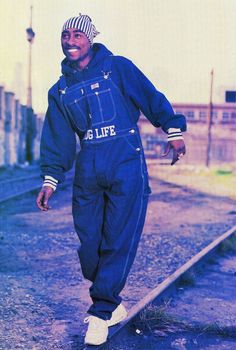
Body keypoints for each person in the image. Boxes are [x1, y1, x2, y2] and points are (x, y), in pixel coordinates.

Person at [36, 14, 186, 346]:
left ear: (90, 39)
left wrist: (172, 130)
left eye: (77, 35)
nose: (70, 40)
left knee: (118, 238)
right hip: (88, 168)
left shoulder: (118, 68)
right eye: (65, 35)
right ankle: (112, 303)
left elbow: (150, 97)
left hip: (125, 162)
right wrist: (50, 179)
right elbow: (58, 139)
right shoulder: (60, 89)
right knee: (90, 244)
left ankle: (101, 311)